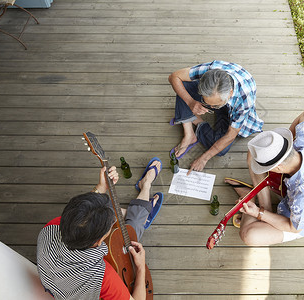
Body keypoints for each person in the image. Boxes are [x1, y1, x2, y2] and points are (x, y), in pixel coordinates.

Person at [37, 159, 162, 300]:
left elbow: (82, 214)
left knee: (125, 224)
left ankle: (140, 208)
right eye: (110, 224)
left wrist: (100, 187)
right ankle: (145, 187)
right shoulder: (103, 277)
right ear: (99, 241)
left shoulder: (51, 228)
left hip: (61, 288)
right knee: (130, 231)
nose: (112, 222)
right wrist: (140, 268)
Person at [225, 110, 304, 245]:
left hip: (302, 219)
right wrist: (292, 136)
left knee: (249, 235)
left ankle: (254, 201)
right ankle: (264, 206)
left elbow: (294, 227)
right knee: (254, 152)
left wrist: (257, 213)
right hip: (298, 181)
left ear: (278, 168)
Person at [168, 60, 263, 175]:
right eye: (206, 102)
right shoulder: (210, 70)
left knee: (222, 150)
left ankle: (198, 122)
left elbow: (231, 134)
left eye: (215, 105)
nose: (210, 108)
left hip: (232, 112)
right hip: (219, 97)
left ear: (230, 93)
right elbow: (174, 77)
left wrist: (204, 158)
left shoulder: (245, 99)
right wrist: (190, 102)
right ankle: (189, 135)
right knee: (183, 86)